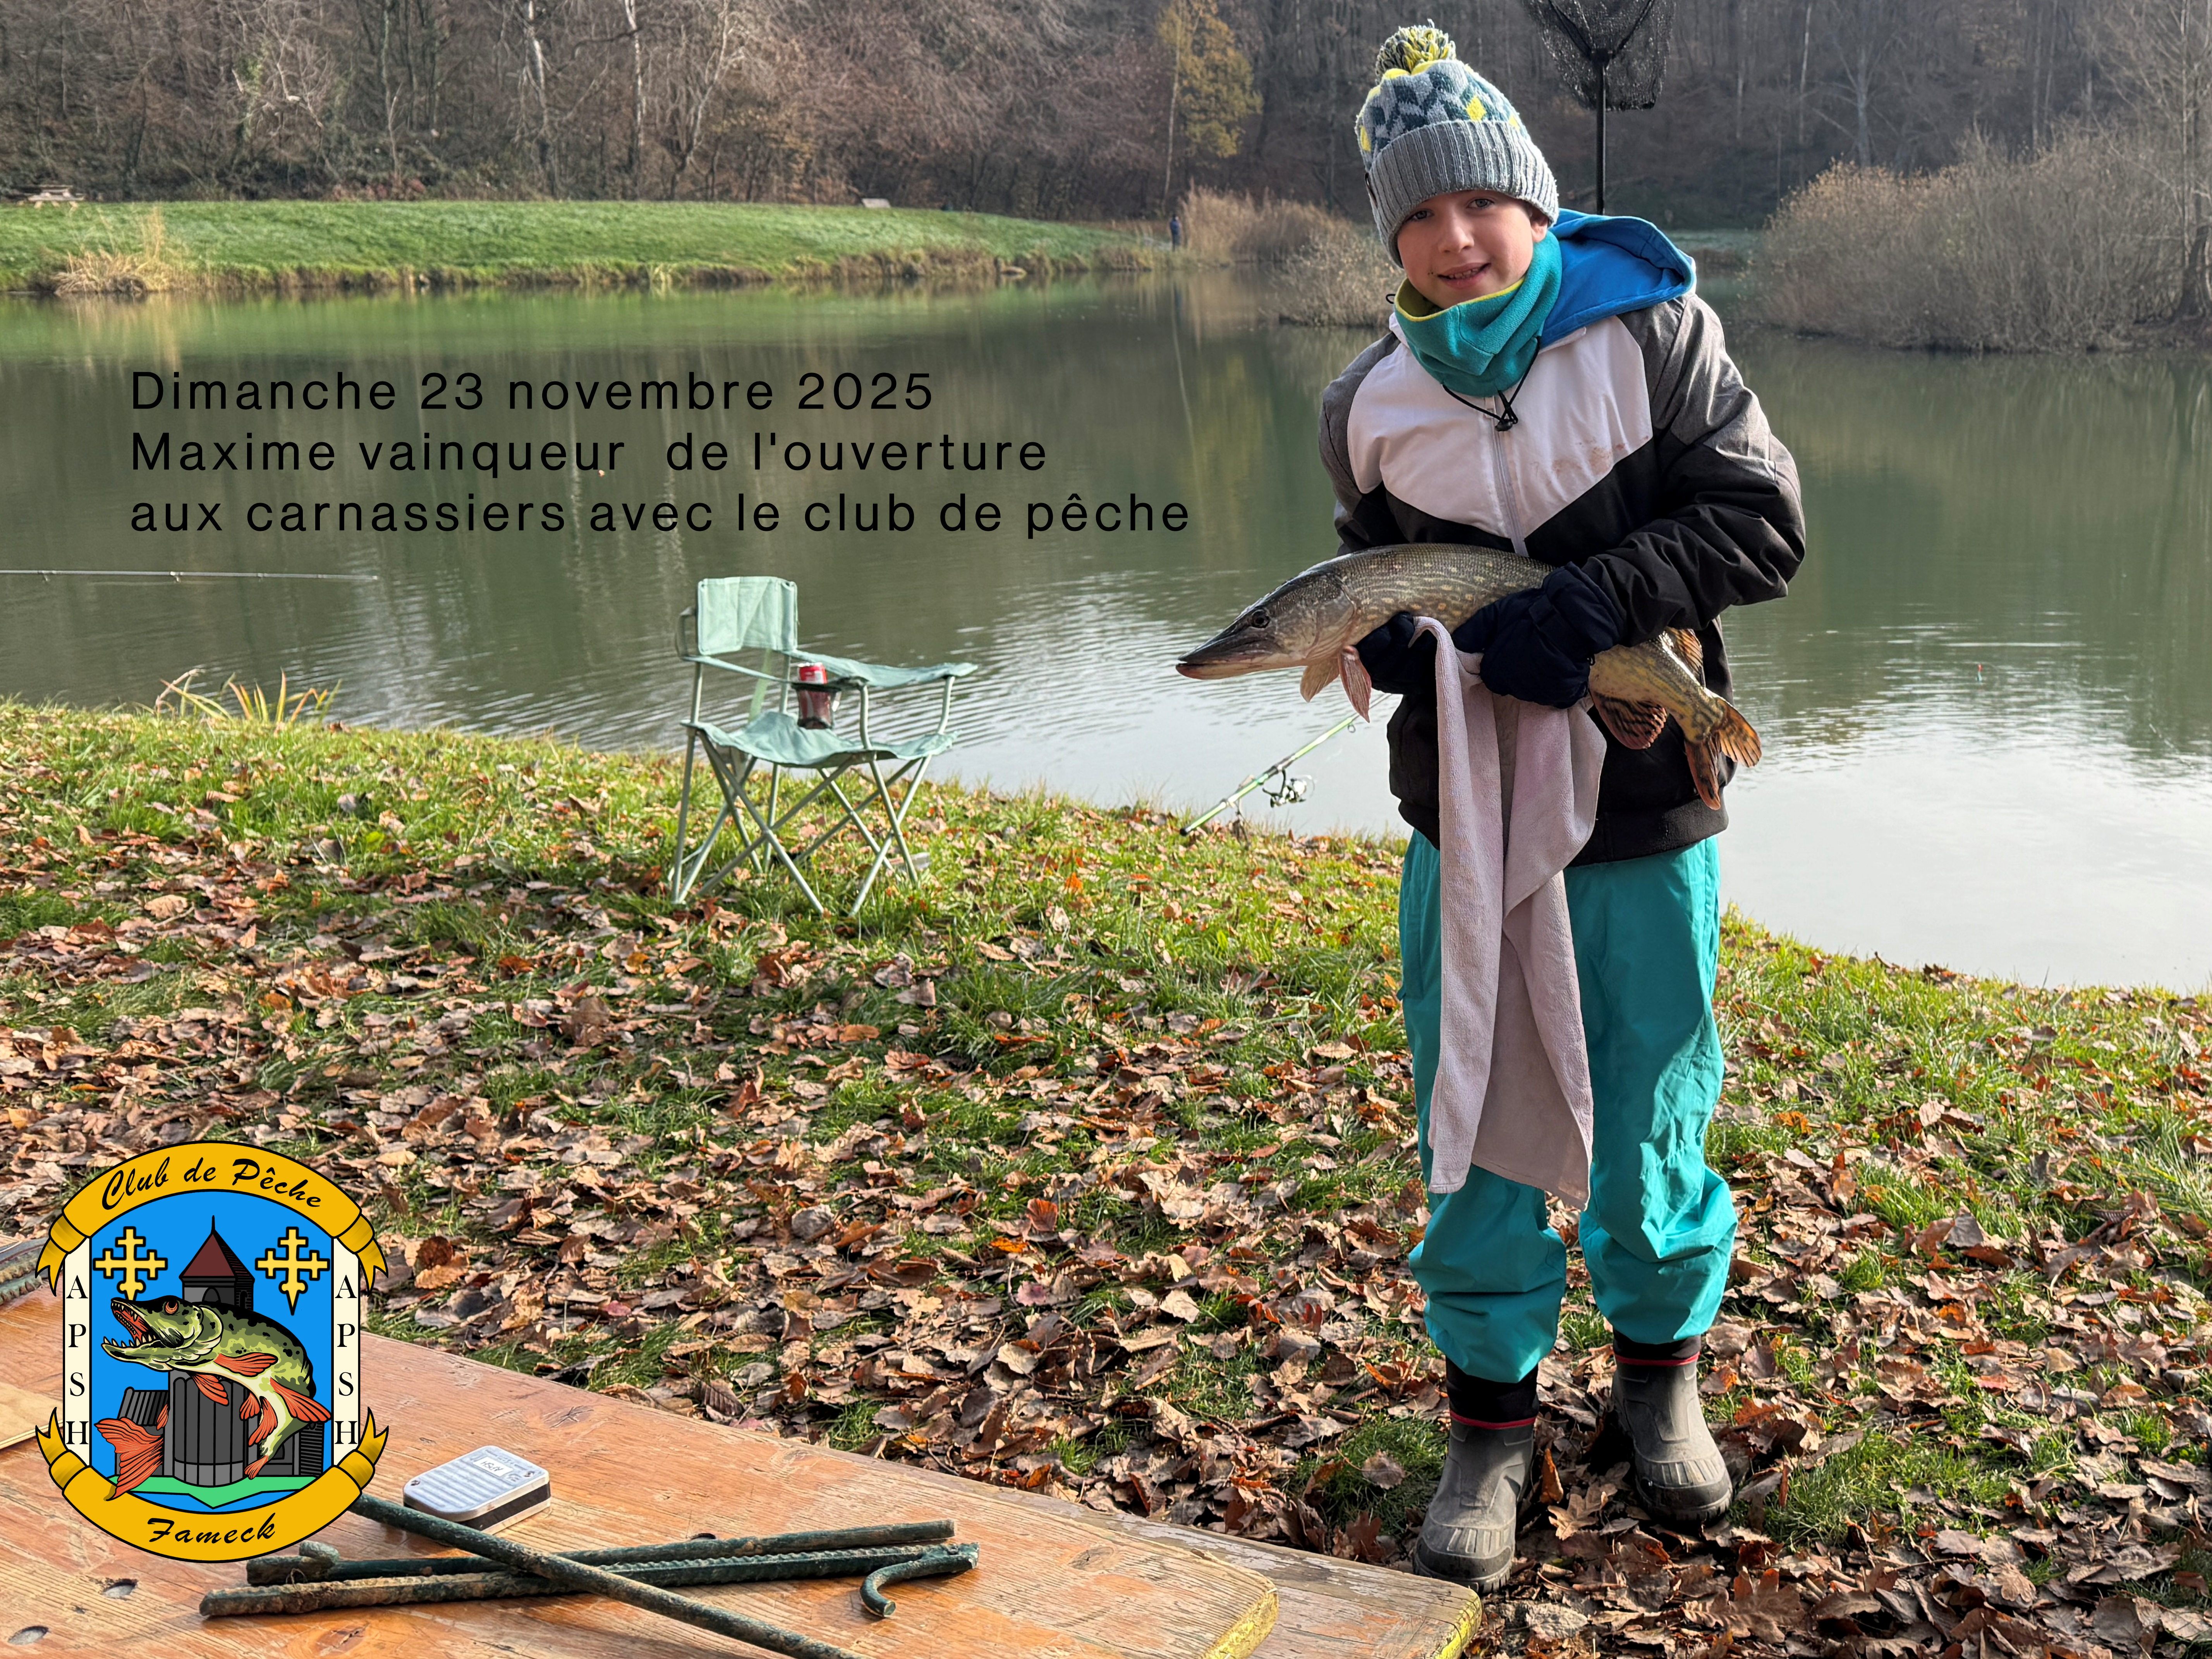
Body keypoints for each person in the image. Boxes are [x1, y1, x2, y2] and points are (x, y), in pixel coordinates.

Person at [1318, 26, 1806, 1589]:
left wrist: (1592, 601)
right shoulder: (1367, 403)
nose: (1455, 238)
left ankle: (1658, 1386)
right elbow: (1379, 585)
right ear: (1390, 236)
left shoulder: (1655, 330)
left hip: (1646, 800)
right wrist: (1400, 647)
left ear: (1533, 201)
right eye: (1418, 213)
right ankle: (1489, 1424)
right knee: (1468, 1112)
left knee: (1651, 1098)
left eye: (1481, 202)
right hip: (1464, 820)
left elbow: (1762, 523)